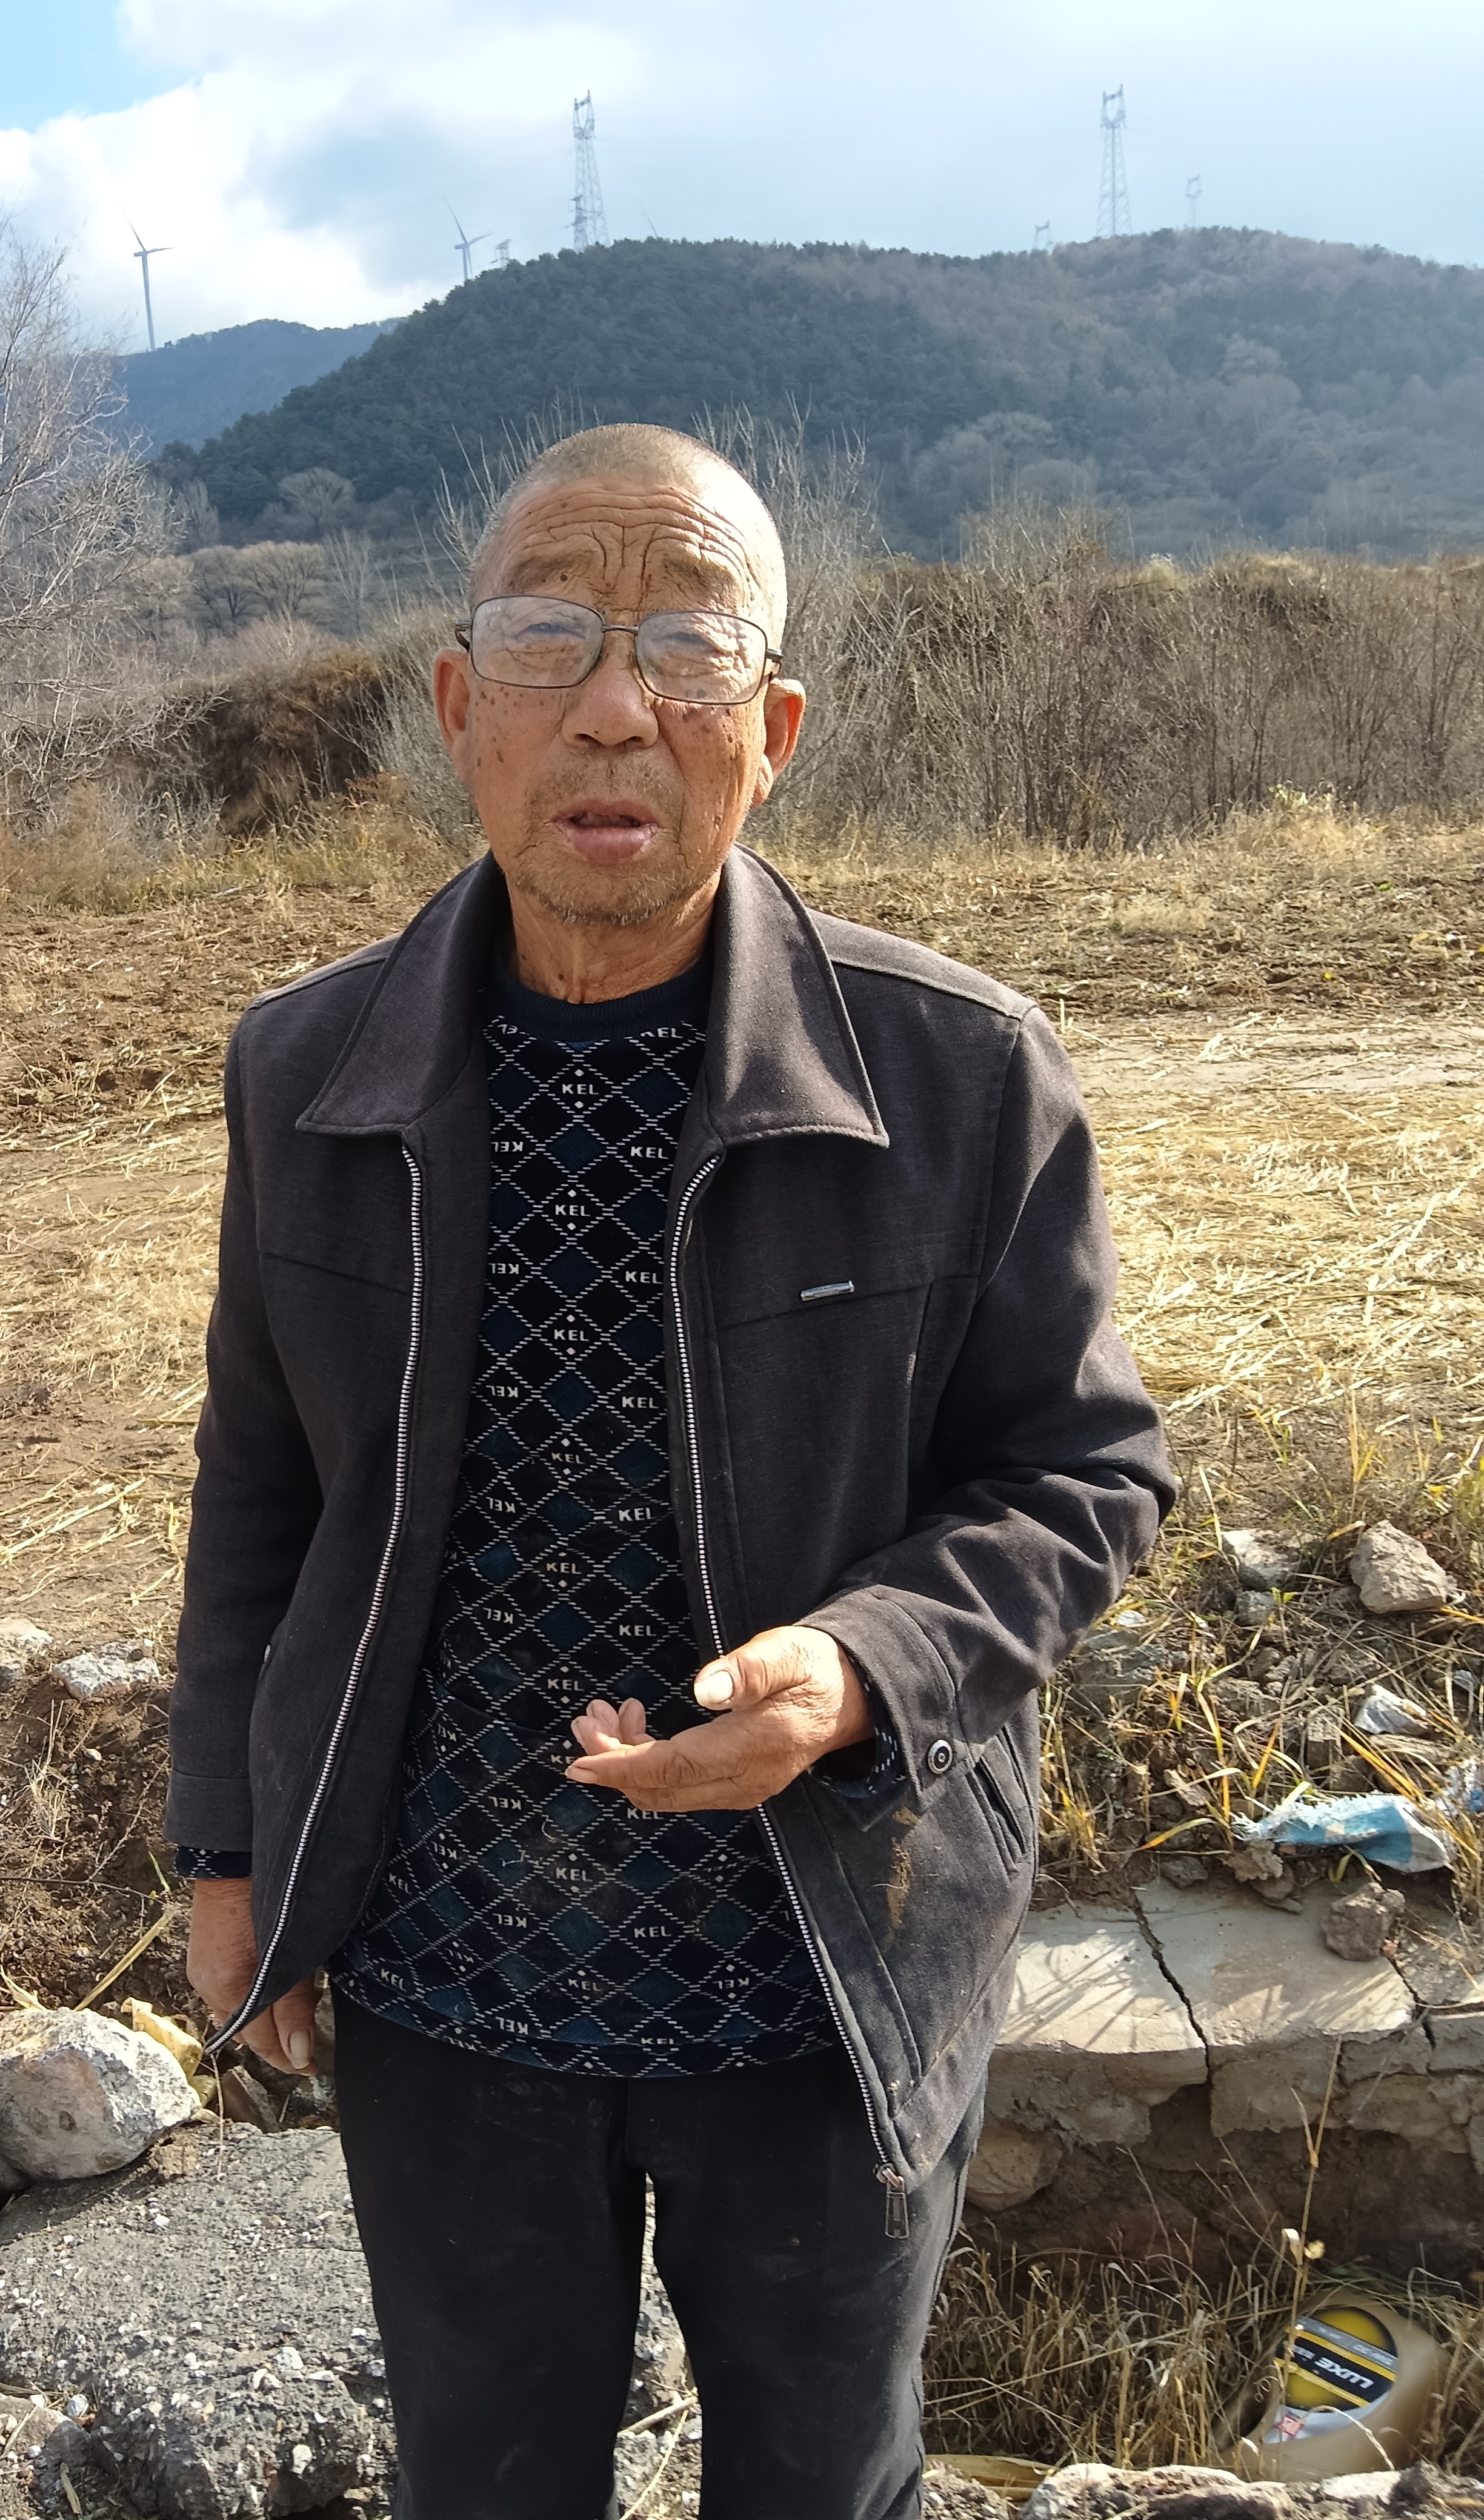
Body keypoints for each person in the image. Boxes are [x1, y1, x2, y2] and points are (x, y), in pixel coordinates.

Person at [171, 423, 1174, 2520]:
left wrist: (859, 1668)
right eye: (550, 641)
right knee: (482, 2482)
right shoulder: (307, 1071)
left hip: (822, 1966)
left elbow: (1084, 1470)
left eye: (689, 647)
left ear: (772, 732)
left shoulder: (959, 1073)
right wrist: (228, 1852)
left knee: (824, 2482)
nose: (615, 708)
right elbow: (262, 1488)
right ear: (461, 708)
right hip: (444, 1975)